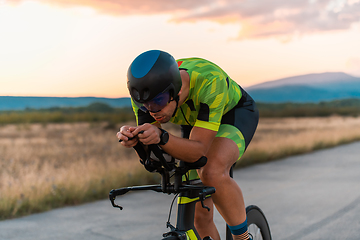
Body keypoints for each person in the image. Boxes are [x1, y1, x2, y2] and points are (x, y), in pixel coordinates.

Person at [117, 50, 259, 240]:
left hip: (234, 113)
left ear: (178, 90)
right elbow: (157, 156)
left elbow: (198, 152)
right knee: (199, 218)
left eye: (158, 101)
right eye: (144, 105)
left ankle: (242, 238)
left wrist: (161, 136)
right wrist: (137, 142)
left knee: (211, 170)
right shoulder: (146, 96)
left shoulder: (210, 81)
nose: (152, 111)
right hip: (194, 122)